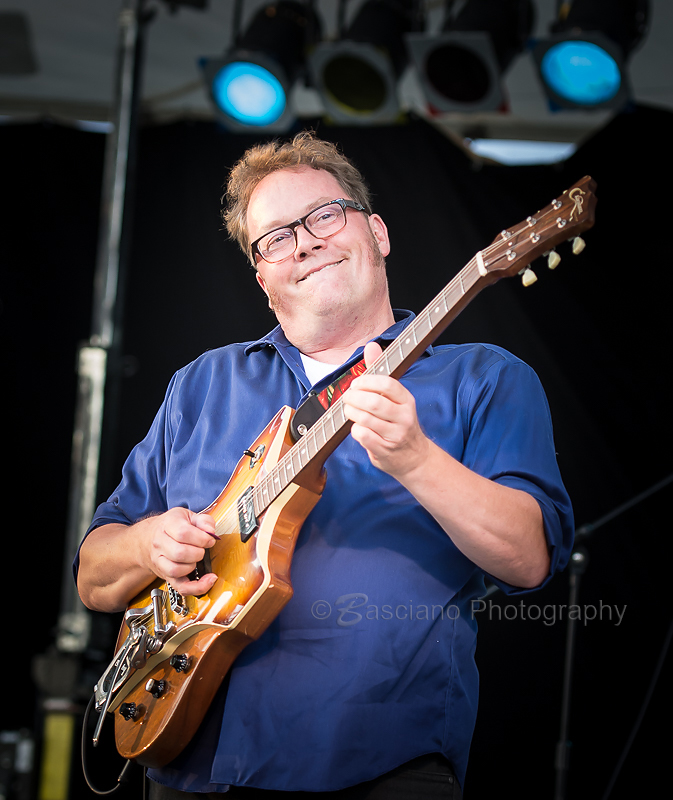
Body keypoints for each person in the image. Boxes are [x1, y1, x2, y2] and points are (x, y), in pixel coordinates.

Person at [75, 131, 574, 798]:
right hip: (189, 768)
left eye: (323, 216)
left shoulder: (484, 379)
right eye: (275, 237)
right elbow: (94, 576)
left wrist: (416, 460)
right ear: (261, 274)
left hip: (376, 768)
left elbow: (528, 558)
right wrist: (145, 542)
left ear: (377, 234)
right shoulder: (202, 384)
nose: (303, 242)